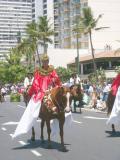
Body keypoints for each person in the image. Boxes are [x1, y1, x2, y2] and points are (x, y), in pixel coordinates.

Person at [13, 54, 62, 138]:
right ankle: (35, 115)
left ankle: (63, 112)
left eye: (47, 61)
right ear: (42, 62)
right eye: (44, 61)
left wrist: (53, 79)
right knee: (35, 103)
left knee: (61, 99)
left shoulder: (52, 70)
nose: (46, 62)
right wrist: (38, 89)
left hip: (51, 88)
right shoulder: (38, 71)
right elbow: (35, 82)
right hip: (41, 90)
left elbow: (57, 78)